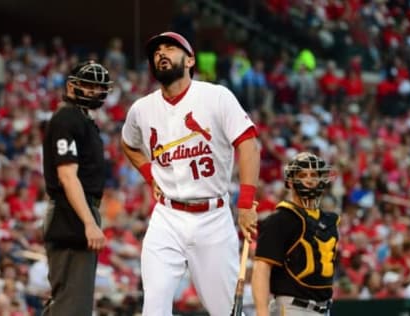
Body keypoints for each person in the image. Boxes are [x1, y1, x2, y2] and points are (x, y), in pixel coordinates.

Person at [121, 31, 260, 316]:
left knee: (225, 310)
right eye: (156, 51)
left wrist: (246, 203)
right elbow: (128, 144)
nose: (161, 53)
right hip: (167, 216)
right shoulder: (141, 109)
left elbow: (248, 144)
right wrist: (150, 176)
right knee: (154, 306)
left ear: (190, 60)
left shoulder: (216, 96)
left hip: (213, 217)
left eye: (170, 48)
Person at [41, 60, 113, 316]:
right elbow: (68, 176)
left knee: (68, 301)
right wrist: (89, 223)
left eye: (98, 86)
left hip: (77, 211)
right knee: (73, 305)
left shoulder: (81, 119)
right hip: (71, 213)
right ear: (72, 86)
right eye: (87, 84)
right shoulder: (67, 117)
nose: (93, 91)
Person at [252, 152, 339, 316]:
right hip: (292, 308)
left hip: (324, 309)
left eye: (314, 174)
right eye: (302, 175)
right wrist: (262, 312)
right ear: (290, 182)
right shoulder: (280, 219)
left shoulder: (329, 220)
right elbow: (262, 269)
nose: (309, 179)